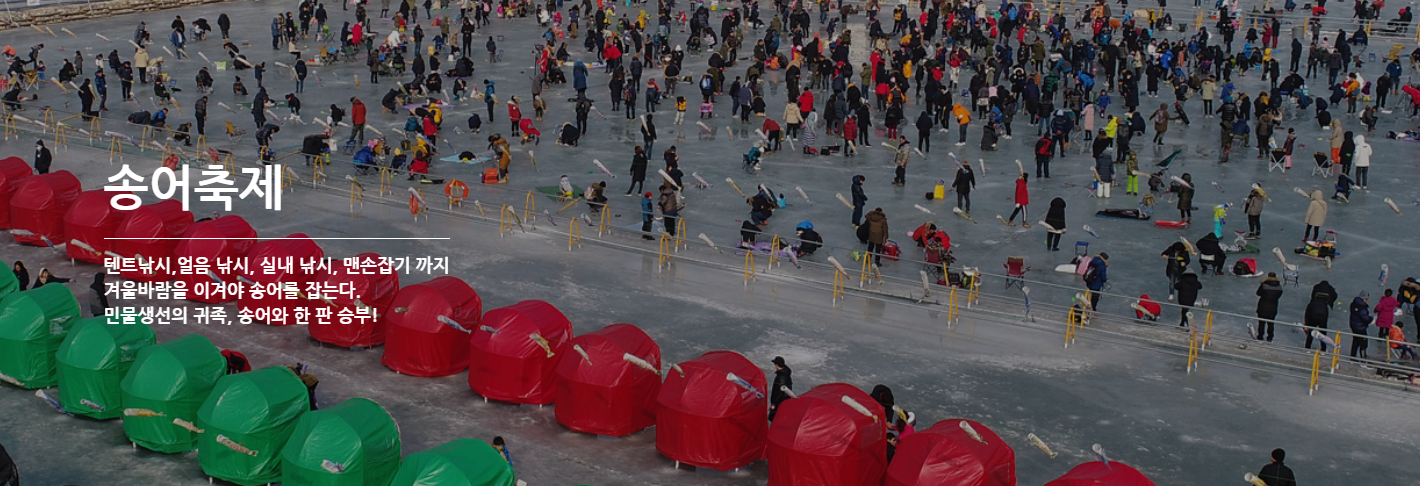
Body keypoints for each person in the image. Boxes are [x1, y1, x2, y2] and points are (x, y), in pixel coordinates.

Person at [1304, 280, 1339, 351]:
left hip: (1313, 313)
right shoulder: (1330, 289)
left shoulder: (1315, 290)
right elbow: (1335, 295)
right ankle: (1323, 349)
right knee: (1323, 332)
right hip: (1323, 313)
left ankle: (1307, 348)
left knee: (1311, 331)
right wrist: (1330, 301)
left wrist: (1306, 324)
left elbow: (1307, 313)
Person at [1256, 273, 1284, 342]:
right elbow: (1279, 296)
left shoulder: (1264, 285)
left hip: (1263, 306)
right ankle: (1270, 337)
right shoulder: (1279, 287)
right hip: (1273, 308)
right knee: (1271, 323)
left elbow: (1258, 293)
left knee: (1261, 323)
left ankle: (1260, 336)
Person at [1349, 291, 1373, 359]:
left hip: (1354, 326)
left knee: (1355, 342)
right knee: (1363, 344)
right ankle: (1363, 360)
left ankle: (1352, 358)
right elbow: (1365, 318)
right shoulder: (1362, 307)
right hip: (1360, 327)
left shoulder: (1353, 304)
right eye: (1366, 299)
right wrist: (1371, 319)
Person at [768, 356, 792, 421]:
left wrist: (774, 404)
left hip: (779, 404)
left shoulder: (781, 377)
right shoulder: (786, 373)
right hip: (784, 402)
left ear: (777, 365)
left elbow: (779, 393)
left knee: (774, 419)